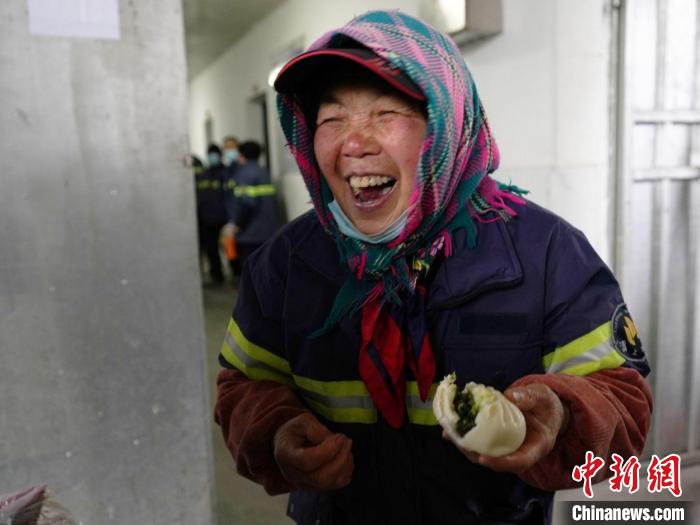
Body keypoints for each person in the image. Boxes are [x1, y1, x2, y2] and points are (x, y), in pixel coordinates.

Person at [214, 10, 653, 525]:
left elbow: (621, 398)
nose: (354, 143)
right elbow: (243, 386)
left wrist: (560, 416)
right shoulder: (286, 263)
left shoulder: (547, 252)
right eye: (331, 119)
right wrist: (278, 433)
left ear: (446, 125)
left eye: (385, 113)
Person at [224, 140, 280, 269]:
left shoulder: (244, 173)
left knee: (250, 271)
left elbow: (247, 203)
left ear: (241, 155)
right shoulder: (263, 172)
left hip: (249, 234)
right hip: (268, 231)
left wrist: (238, 225)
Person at [195, 143, 228, 285]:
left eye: (214, 153)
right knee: (211, 249)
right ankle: (217, 276)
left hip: (224, 218)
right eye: (210, 154)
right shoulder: (204, 174)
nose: (212, 157)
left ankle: (236, 275)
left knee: (229, 249)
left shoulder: (226, 173)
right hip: (207, 218)